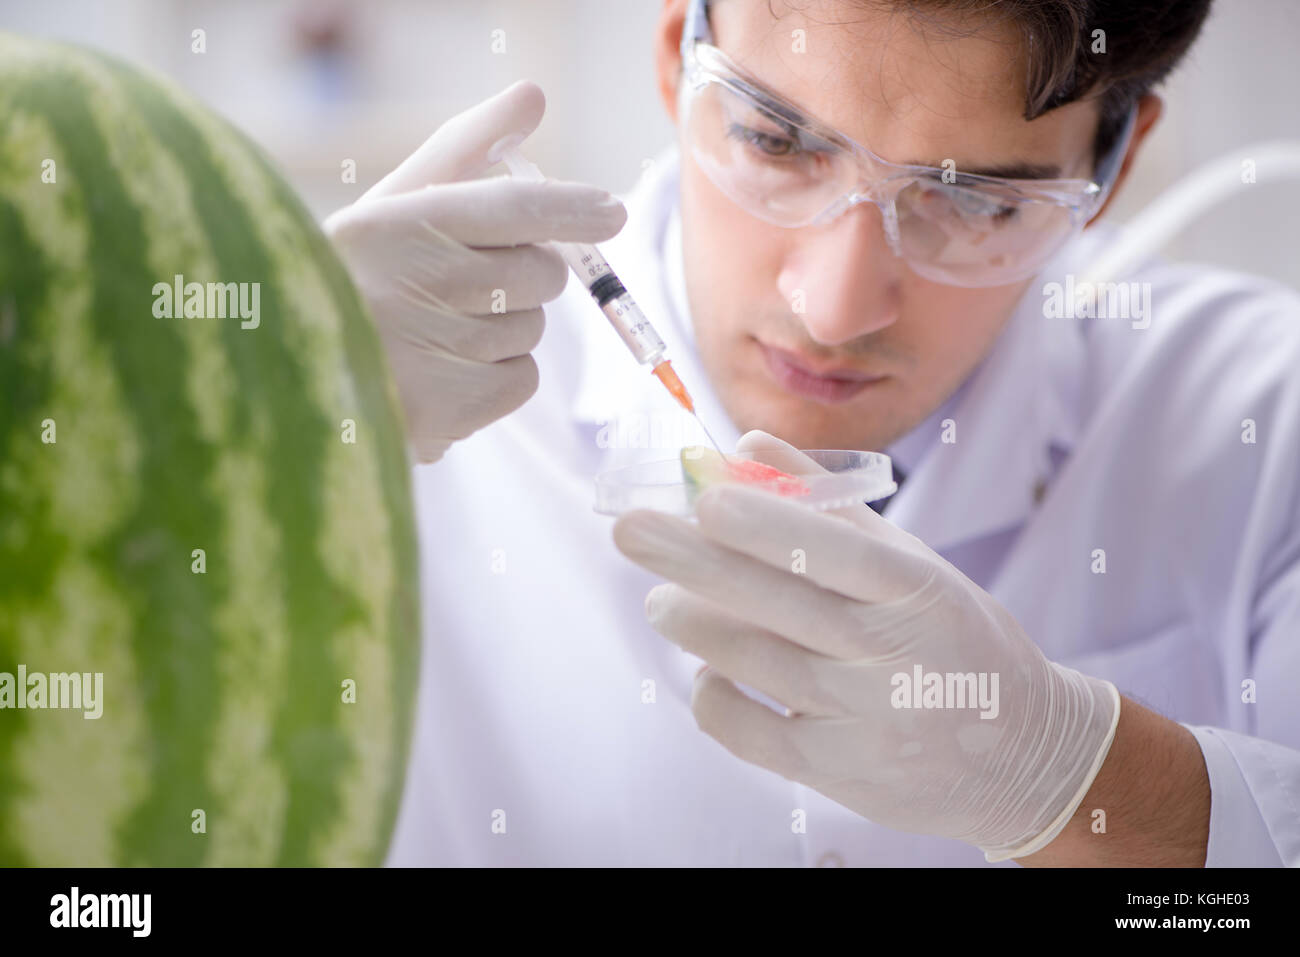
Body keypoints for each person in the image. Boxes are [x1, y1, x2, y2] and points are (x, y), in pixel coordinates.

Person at [323, 0, 1300, 865]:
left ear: (1114, 164)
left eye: (971, 200)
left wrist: (1073, 780)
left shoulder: (1263, 420)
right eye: (776, 141)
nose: (833, 308)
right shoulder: (391, 370)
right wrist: (264, 419)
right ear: (675, 56)